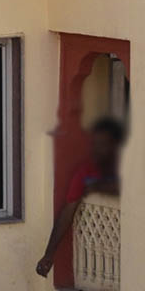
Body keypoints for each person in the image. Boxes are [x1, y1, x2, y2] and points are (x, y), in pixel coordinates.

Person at [36, 116, 126, 278]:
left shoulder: (127, 166)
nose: (98, 149)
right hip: (102, 248)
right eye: (95, 144)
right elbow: (68, 210)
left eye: (104, 144)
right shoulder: (86, 171)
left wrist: (98, 187)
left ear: (116, 146)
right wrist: (49, 254)